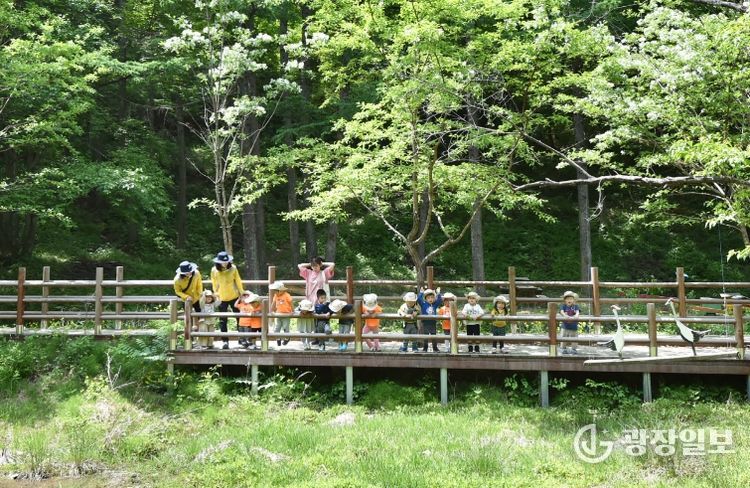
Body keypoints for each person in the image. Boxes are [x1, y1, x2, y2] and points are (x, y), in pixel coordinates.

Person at [210, 251, 244, 350]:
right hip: (221, 297)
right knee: (223, 320)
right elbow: (214, 283)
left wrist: (242, 292)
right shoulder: (214, 270)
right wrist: (215, 293)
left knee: (239, 318)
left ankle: (241, 338)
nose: (225, 263)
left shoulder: (233, 268)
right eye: (223, 262)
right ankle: (225, 341)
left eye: (226, 261)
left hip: (234, 296)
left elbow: (238, 280)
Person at [417, 288, 443, 353]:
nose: (430, 299)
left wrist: (438, 293)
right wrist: (421, 293)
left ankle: (435, 348)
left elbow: (440, 300)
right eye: (428, 298)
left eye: (432, 297)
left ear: (434, 298)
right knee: (426, 336)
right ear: (425, 299)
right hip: (425, 323)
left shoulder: (435, 304)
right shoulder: (423, 304)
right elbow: (418, 299)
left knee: (433, 336)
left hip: (432, 322)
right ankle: (425, 348)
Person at [270, 281, 293, 347]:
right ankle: (278, 338)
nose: (275, 292)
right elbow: (273, 303)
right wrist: (271, 310)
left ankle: (287, 338)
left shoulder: (287, 295)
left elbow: (291, 303)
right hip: (278, 314)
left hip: (286, 314)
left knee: (285, 327)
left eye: (276, 291)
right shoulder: (275, 296)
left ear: (281, 290)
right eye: (274, 291)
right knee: (277, 327)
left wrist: (293, 311)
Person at [559, 290, 580, 355]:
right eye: (567, 299)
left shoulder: (575, 306)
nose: (569, 300)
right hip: (565, 325)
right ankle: (563, 348)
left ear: (573, 300)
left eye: (571, 299)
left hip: (573, 325)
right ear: (565, 300)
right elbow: (562, 311)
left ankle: (573, 349)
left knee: (574, 338)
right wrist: (565, 315)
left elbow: (577, 312)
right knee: (563, 337)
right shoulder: (563, 306)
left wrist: (576, 315)